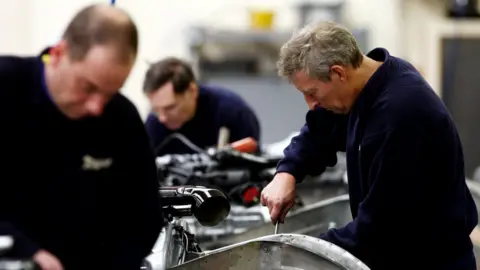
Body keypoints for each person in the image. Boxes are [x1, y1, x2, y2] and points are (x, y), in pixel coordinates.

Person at [260, 21, 478, 269]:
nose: (310, 104)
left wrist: (299, 253)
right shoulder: (368, 83)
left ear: (338, 72)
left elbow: (380, 229)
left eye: (313, 93)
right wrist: (287, 172)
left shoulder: (400, 115)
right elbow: (320, 130)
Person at [0, 4, 163, 270]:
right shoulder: (6, 88)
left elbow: (142, 218)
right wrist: (26, 253)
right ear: (59, 53)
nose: (96, 107)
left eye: (110, 93)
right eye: (88, 87)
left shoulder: (121, 119)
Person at [143, 57, 261, 156]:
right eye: (156, 110)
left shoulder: (233, 113)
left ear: (192, 91)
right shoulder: (154, 124)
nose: (162, 118)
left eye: (170, 108)